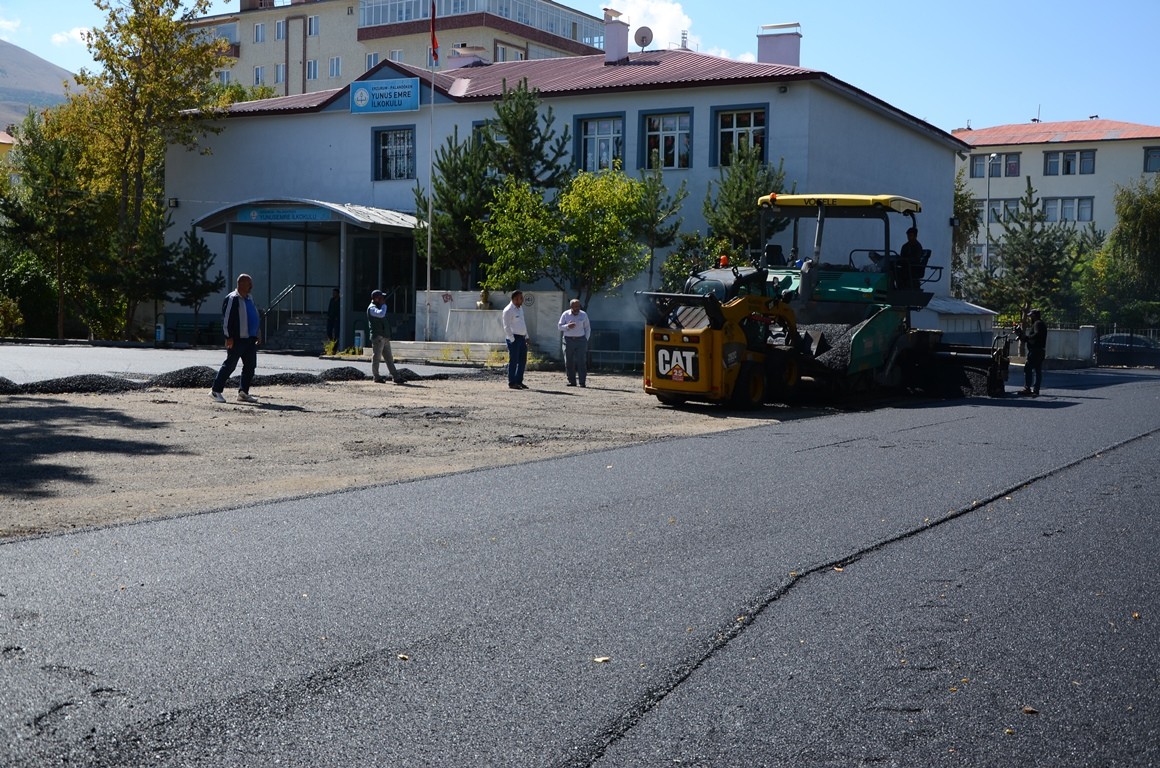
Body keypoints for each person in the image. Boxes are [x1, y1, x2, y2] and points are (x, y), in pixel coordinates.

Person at [210, 273, 261, 403]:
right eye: (249, 283)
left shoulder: (250, 298)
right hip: (237, 339)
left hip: (250, 339)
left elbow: (254, 316)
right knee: (230, 365)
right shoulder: (232, 298)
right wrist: (228, 337)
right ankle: (215, 391)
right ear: (241, 283)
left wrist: (257, 332)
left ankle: (243, 393)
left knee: (250, 366)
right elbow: (226, 320)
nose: (252, 286)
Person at [367, 289, 403, 384]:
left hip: (384, 337)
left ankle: (395, 376)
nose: (383, 299)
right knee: (377, 358)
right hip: (378, 337)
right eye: (381, 297)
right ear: (376, 299)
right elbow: (381, 314)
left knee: (389, 358)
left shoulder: (379, 307)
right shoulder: (372, 308)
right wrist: (384, 305)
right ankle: (376, 376)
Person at [557, 298, 591, 387]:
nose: (577, 308)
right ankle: (572, 381)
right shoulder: (565, 314)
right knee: (569, 361)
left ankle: (582, 382)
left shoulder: (583, 315)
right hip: (568, 340)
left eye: (578, 306)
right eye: (575, 306)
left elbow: (587, 328)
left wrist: (585, 339)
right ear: (571, 306)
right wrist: (568, 326)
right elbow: (559, 327)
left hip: (581, 340)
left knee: (581, 361)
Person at [1014, 308, 1048, 396]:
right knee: (1037, 370)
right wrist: (1025, 338)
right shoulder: (1041, 324)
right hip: (1040, 350)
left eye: (1031, 316)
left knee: (1028, 368)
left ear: (1034, 316)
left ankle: (1027, 388)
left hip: (1035, 351)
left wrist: (1027, 338)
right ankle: (1036, 390)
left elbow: (1036, 335)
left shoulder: (1038, 324)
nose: (1029, 318)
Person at [502, 290, 528, 389]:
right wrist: (512, 340)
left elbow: (523, 323)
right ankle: (512, 382)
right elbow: (506, 327)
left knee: (522, 361)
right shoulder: (508, 310)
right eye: (520, 298)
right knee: (514, 361)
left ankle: (519, 381)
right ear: (514, 298)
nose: (522, 300)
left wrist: (527, 336)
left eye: (522, 298)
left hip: (521, 337)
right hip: (513, 338)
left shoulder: (520, 309)